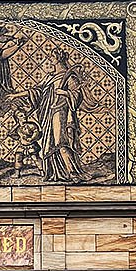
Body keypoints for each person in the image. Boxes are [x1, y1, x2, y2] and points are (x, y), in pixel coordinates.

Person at [37, 49, 92, 182]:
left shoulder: (70, 76)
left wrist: (65, 93)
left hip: (62, 113)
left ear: (59, 59)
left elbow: (77, 96)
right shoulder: (50, 76)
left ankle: (73, 172)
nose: (50, 59)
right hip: (49, 114)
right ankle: (56, 171)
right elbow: (38, 91)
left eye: (52, 57)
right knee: (53, 143)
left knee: (61, 143)